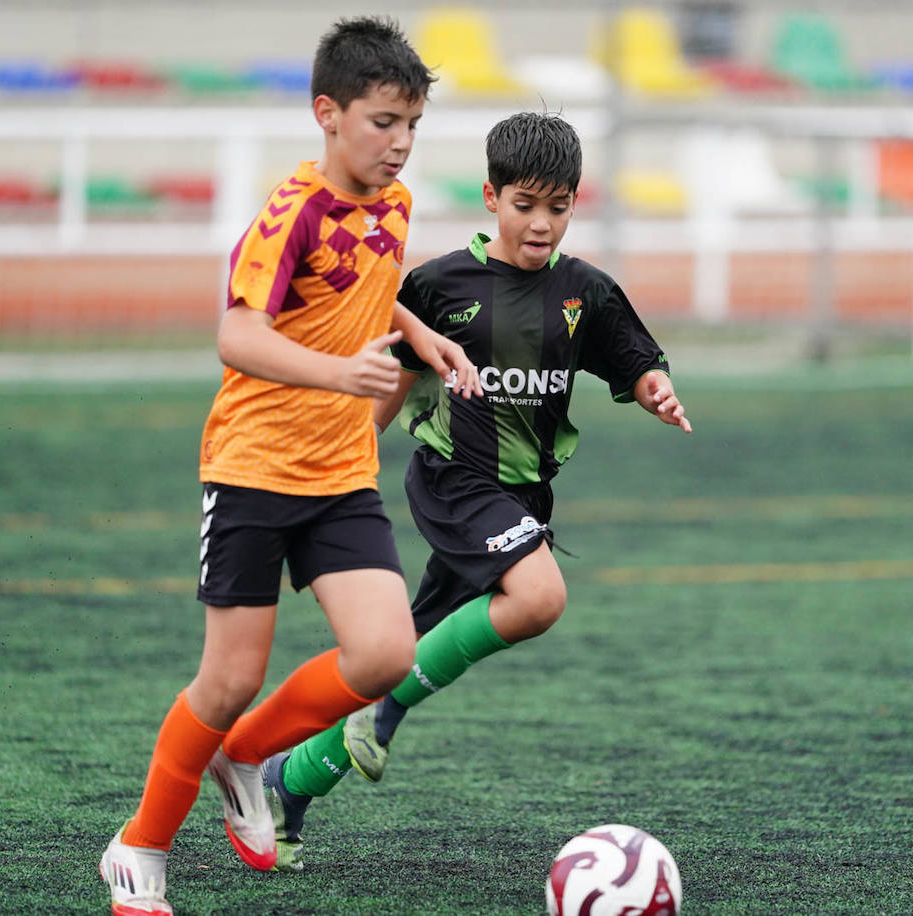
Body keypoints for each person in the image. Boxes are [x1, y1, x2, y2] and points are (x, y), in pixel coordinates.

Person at [98, 17, 482, 916]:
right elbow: (237, 333)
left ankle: (246, 755)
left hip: (340, 468)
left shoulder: (394, 203)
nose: (401, 143)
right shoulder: (291, 211)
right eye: (384, 122)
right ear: (328, 113)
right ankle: (140, 846)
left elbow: (375, 288)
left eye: (412, 124)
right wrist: (341, 372)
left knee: (385, 652)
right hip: (254, 466)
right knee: (227, 678)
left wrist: (428, 340)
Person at [259, 110, 692, 871]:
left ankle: (286, 783)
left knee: (388, 658)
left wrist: (655, 389)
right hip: (454, 482)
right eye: (525, 205)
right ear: (491, 197)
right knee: (540, 598)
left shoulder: (585, 292)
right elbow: (395, 376)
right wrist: (348, 465)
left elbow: (634, 361)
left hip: (524, 503)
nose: (541, 223)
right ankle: (383, 717)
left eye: (558, 207)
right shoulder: (440, 284)